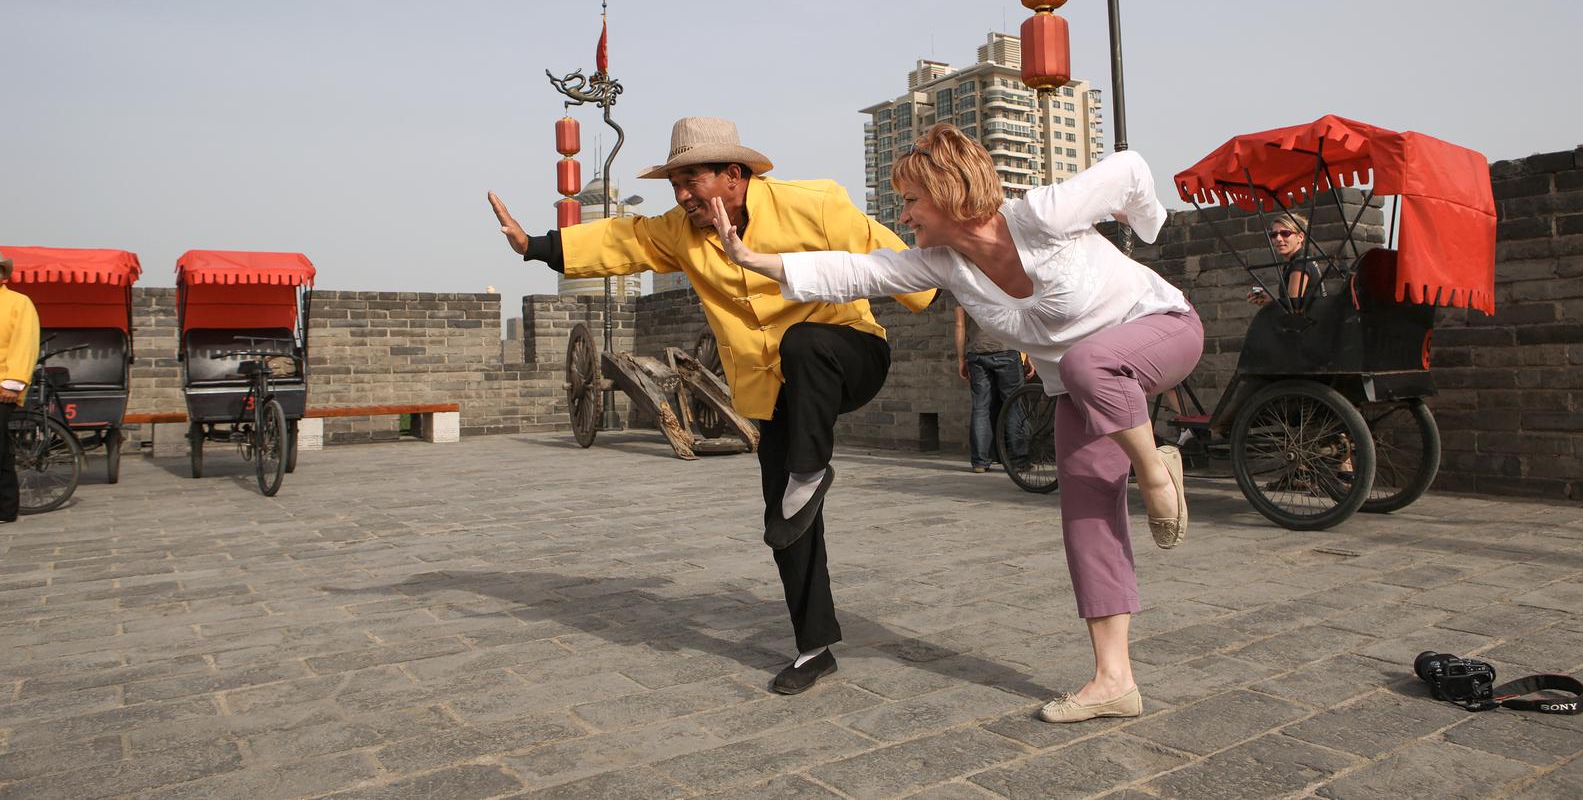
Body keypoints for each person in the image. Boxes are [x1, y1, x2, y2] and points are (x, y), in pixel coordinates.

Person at [711, 124, 1202, 724]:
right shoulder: (946, 265)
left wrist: (1147, 223)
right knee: (1087, 515)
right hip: (1082, 389)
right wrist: (749, 258)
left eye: (911, 200)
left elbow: (1130, 168)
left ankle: (1155, 473)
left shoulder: (1042, 216)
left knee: (1085, 362)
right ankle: (1114, 680)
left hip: (1162, 330)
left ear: (949, 192)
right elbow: (858, 272)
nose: (903, 214)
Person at [488, 117, 935, 695]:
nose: (681, 195)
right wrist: (535, 246)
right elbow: (625, 240)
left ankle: (809, 468)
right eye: (675, 184)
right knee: (785, 521)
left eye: (690, 180)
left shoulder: (815, 203)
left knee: (804, 342)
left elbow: (898, 264)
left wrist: (948, 290)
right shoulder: (682, 231)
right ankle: (814, 646)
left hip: (847, 354)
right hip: (775, 392)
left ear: (733, 175)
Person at [956, 305, 1029, 473]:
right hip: (1007, 350)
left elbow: (960, 325)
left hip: (977, 352)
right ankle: (1019, 461)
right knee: (1014, 406)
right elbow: (1021, 318)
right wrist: (1029, 354)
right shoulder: (1007, 288)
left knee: (980, 408)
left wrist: (961, 359)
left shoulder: (963, 289)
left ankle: (980, 462)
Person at [1, 253, 42, 524]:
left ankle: (4, 508)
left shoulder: (18, 302)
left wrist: (13, 383)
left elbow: (24, 343)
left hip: (2, 385)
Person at [1246, 212, 1322, 309]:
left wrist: (1274, 304)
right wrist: (1271, 301)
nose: (1278, 239)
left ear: (1300, 237)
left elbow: (1292, 308)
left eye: (1285, 233)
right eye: (1274, 234)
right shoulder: (1297, 261)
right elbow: (1289, 304)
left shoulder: (1299, 265)